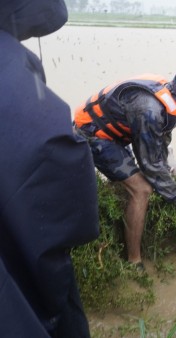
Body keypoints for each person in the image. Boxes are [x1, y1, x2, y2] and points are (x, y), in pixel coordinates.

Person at [0, 0, 100, 336]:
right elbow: (54, 157)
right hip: (100, 133)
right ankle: (134, 258)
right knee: (139, 187)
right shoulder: (10, 67)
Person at [73, 67, 176, 268]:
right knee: (142, 189)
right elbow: (150, 164)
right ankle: (134, 261)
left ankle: (122, 210)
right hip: (91, 135)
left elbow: (157, 148)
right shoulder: (149, 110)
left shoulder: (168, 98)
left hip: (112, 134)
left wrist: (166, 178)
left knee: (143, 178)